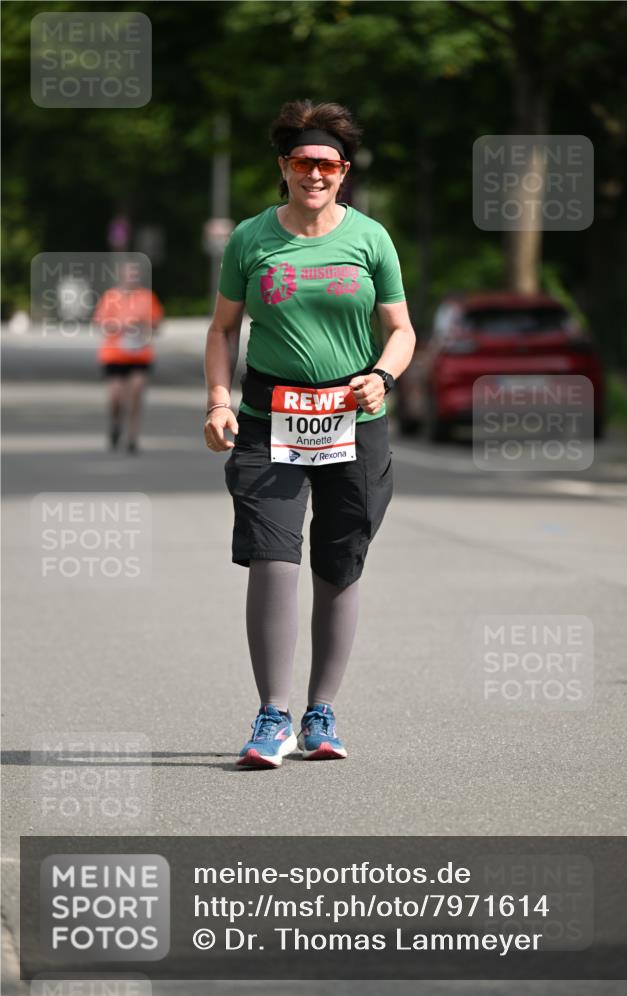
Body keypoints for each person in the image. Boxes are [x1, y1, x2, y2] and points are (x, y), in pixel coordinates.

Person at [204, 100, 416, 768]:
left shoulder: (369, 239)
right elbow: (221, 329)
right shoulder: (251, 238)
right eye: (303, 162)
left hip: (355, 417)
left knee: (338, 560)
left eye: (326, 164)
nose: (314, 174)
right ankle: (272, 716)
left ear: (342, 171)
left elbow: (402, 330)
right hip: (270, 417)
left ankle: (320, 713)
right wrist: (217, 399)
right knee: (272, 555)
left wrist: (382, 375)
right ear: (284, 168)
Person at [94, 259, 163, 452]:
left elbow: (157, 324)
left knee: (136, 392)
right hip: (114, 355)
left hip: (140, 355)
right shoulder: (110, 296)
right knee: (116, 397)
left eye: (135, 274)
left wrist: (143, 326)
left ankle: (132, 435)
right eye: (128, 273)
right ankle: (116, 424)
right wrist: (121, 325)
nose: (132, 277)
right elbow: (101, 323)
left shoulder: (147, 297)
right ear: (121, 275)